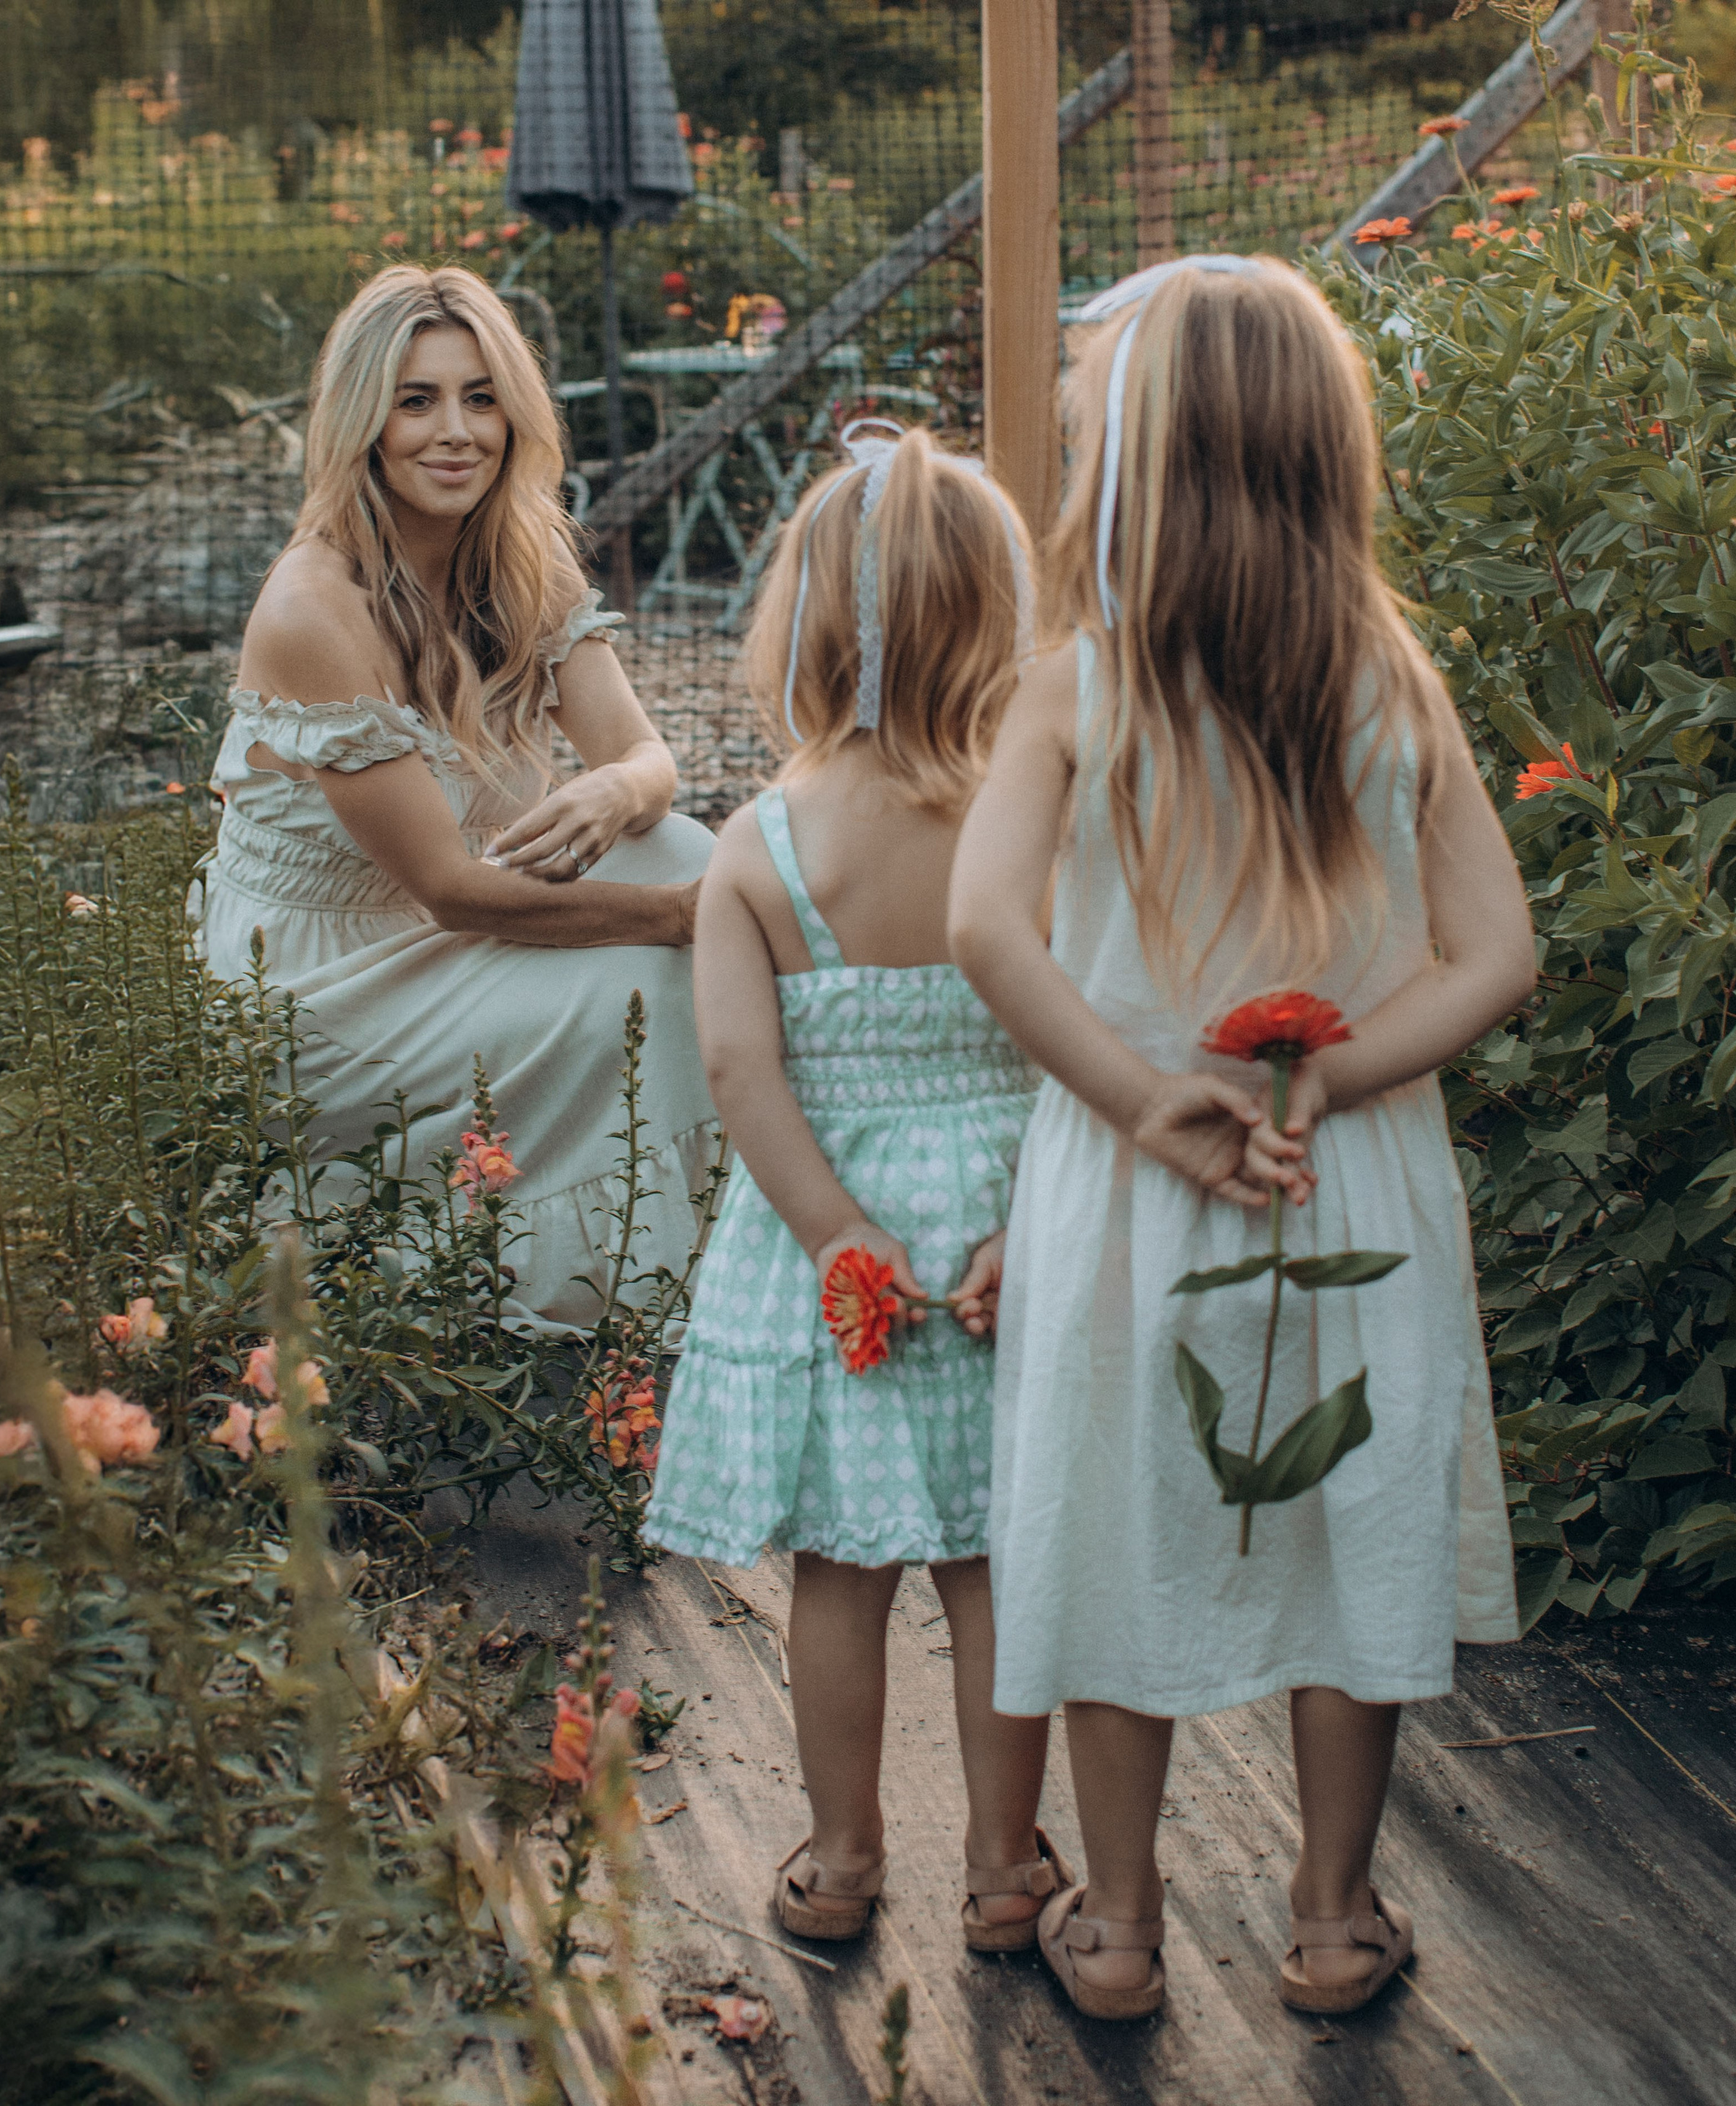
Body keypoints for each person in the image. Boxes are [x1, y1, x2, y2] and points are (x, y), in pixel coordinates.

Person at [949, 256, 1529, 2021]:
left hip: (1134, 1177)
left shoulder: (1077, 684)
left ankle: (1116, 1925)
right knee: (1352, 1513)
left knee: (1113, 1524)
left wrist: (1146, 1101)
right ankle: (1335, 1916)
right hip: (1339, 1171)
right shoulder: (1388, 680)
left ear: (1130, 455)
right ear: (1317, 452)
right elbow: (1496, 955)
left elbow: (986, 929)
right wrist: (1324, 1083)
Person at [644, 423, 1068, 1950]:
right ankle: (1008, 1872)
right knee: (992, 1563)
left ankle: (835, 1856)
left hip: (840, 1255)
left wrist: (839, 1237)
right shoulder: (1035, 826)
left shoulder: (758, 846)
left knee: (837, 1569)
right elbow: (1089, 1036)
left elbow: (739, 1073)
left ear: (807, 623)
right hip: (1008, 1233)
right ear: (998, 618)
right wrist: (1032, 1227)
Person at [197, 266, 716, 1328]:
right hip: (321, 981)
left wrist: (617, 789)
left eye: (481, 398)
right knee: (663, 970)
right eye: (417, 400)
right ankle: (621, 1302)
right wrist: (680, 924)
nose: (456, 433)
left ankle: (716, 1257)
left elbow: (649, 762)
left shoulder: (523, 562)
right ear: (363, 422)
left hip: (438, 933)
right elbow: (451, 890)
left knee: (689, 849)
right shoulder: (315, 607)